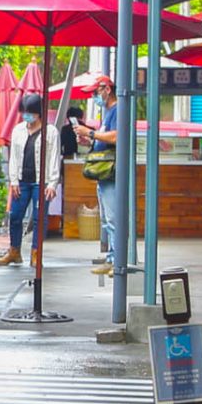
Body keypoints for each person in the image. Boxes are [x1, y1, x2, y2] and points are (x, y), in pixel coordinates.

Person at [0, 94, 73, 267]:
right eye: (25, 112)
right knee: (15, 215)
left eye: (31, 113)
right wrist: (14, 181)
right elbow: (14, 158)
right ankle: (14, 250)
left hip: (42, 181)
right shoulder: (18, 130)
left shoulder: (51, 132)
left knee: (40, 218)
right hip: (22, 181)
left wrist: (53, 183)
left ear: (39, 113)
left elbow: (55, 157)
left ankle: (36, 253)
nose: (27, 116)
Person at [80, 75, 121, 274]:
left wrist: (90, 133)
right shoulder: (107, 113)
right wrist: (91, 140)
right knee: (107, 220)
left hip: (111, 172)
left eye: (96, 92)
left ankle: (117, 261)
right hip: (104, 174)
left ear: (107, 89)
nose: (95, 97)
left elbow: (116, 136)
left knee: (113, 219)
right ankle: (112, 258)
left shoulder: (118, 110)